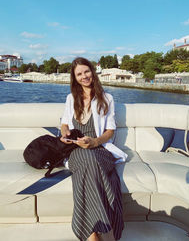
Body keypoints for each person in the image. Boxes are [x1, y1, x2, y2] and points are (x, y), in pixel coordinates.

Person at [60, 57, 127, 241]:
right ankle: (95, 232)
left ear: (92, 71)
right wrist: (65, 135)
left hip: (99, 148)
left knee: (90, 162)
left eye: (86, 71)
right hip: (75, 150)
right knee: (86, 161)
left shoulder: (107, 98)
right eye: (79, 74)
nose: (84, 76)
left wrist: (94, 142)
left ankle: (92, 235)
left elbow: (110, 131)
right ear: (75, 78)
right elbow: (64, 124)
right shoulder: (70, 98)